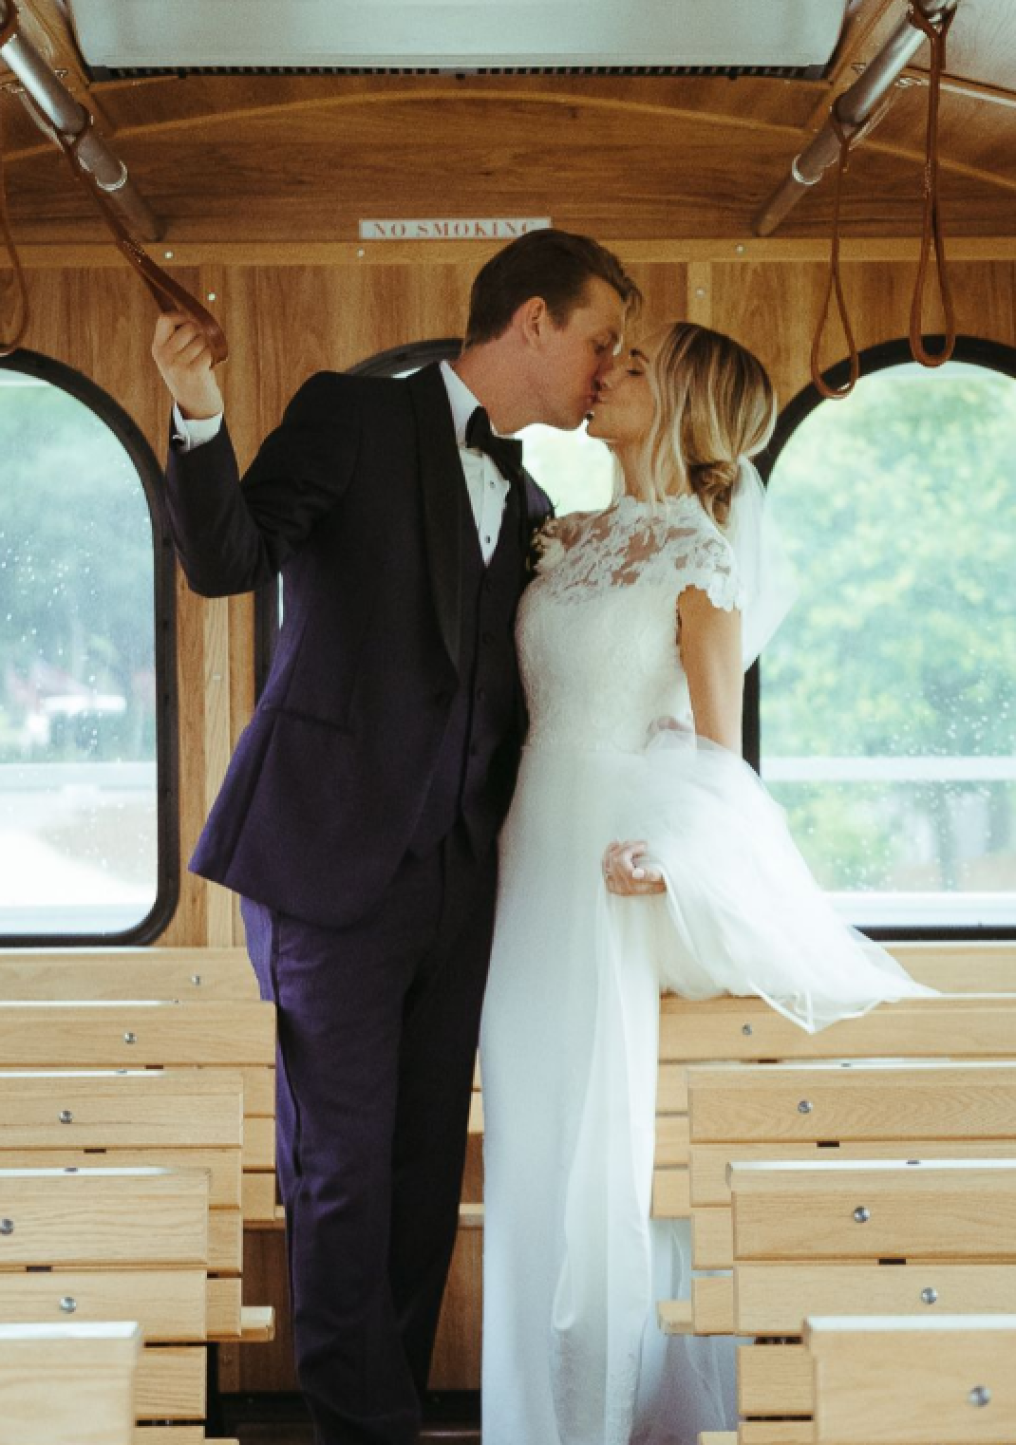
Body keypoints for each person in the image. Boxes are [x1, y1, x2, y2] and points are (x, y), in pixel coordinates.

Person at [151, 228, 641, 1445]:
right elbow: (226, 557)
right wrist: (197, 406)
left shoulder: (531, 501)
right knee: (341, 1168)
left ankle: (392, 1415)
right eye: (598, 338)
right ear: (533, 320)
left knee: (423, 1176)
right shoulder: (353, 416)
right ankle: (359, 1427)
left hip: (460, 881)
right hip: (325, 864)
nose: (605, 365)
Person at [479, 321, 936, 1445]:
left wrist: (669, 857)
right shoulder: (572, 537)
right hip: (527, 849)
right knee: (525, 1149)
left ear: (682, 404)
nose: (605, 374)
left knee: (590, 1159)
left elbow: (720, 757)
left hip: (606, 868)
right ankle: (525, 1418)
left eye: (634, 366)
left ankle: (590, 1419)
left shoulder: (701, 558)